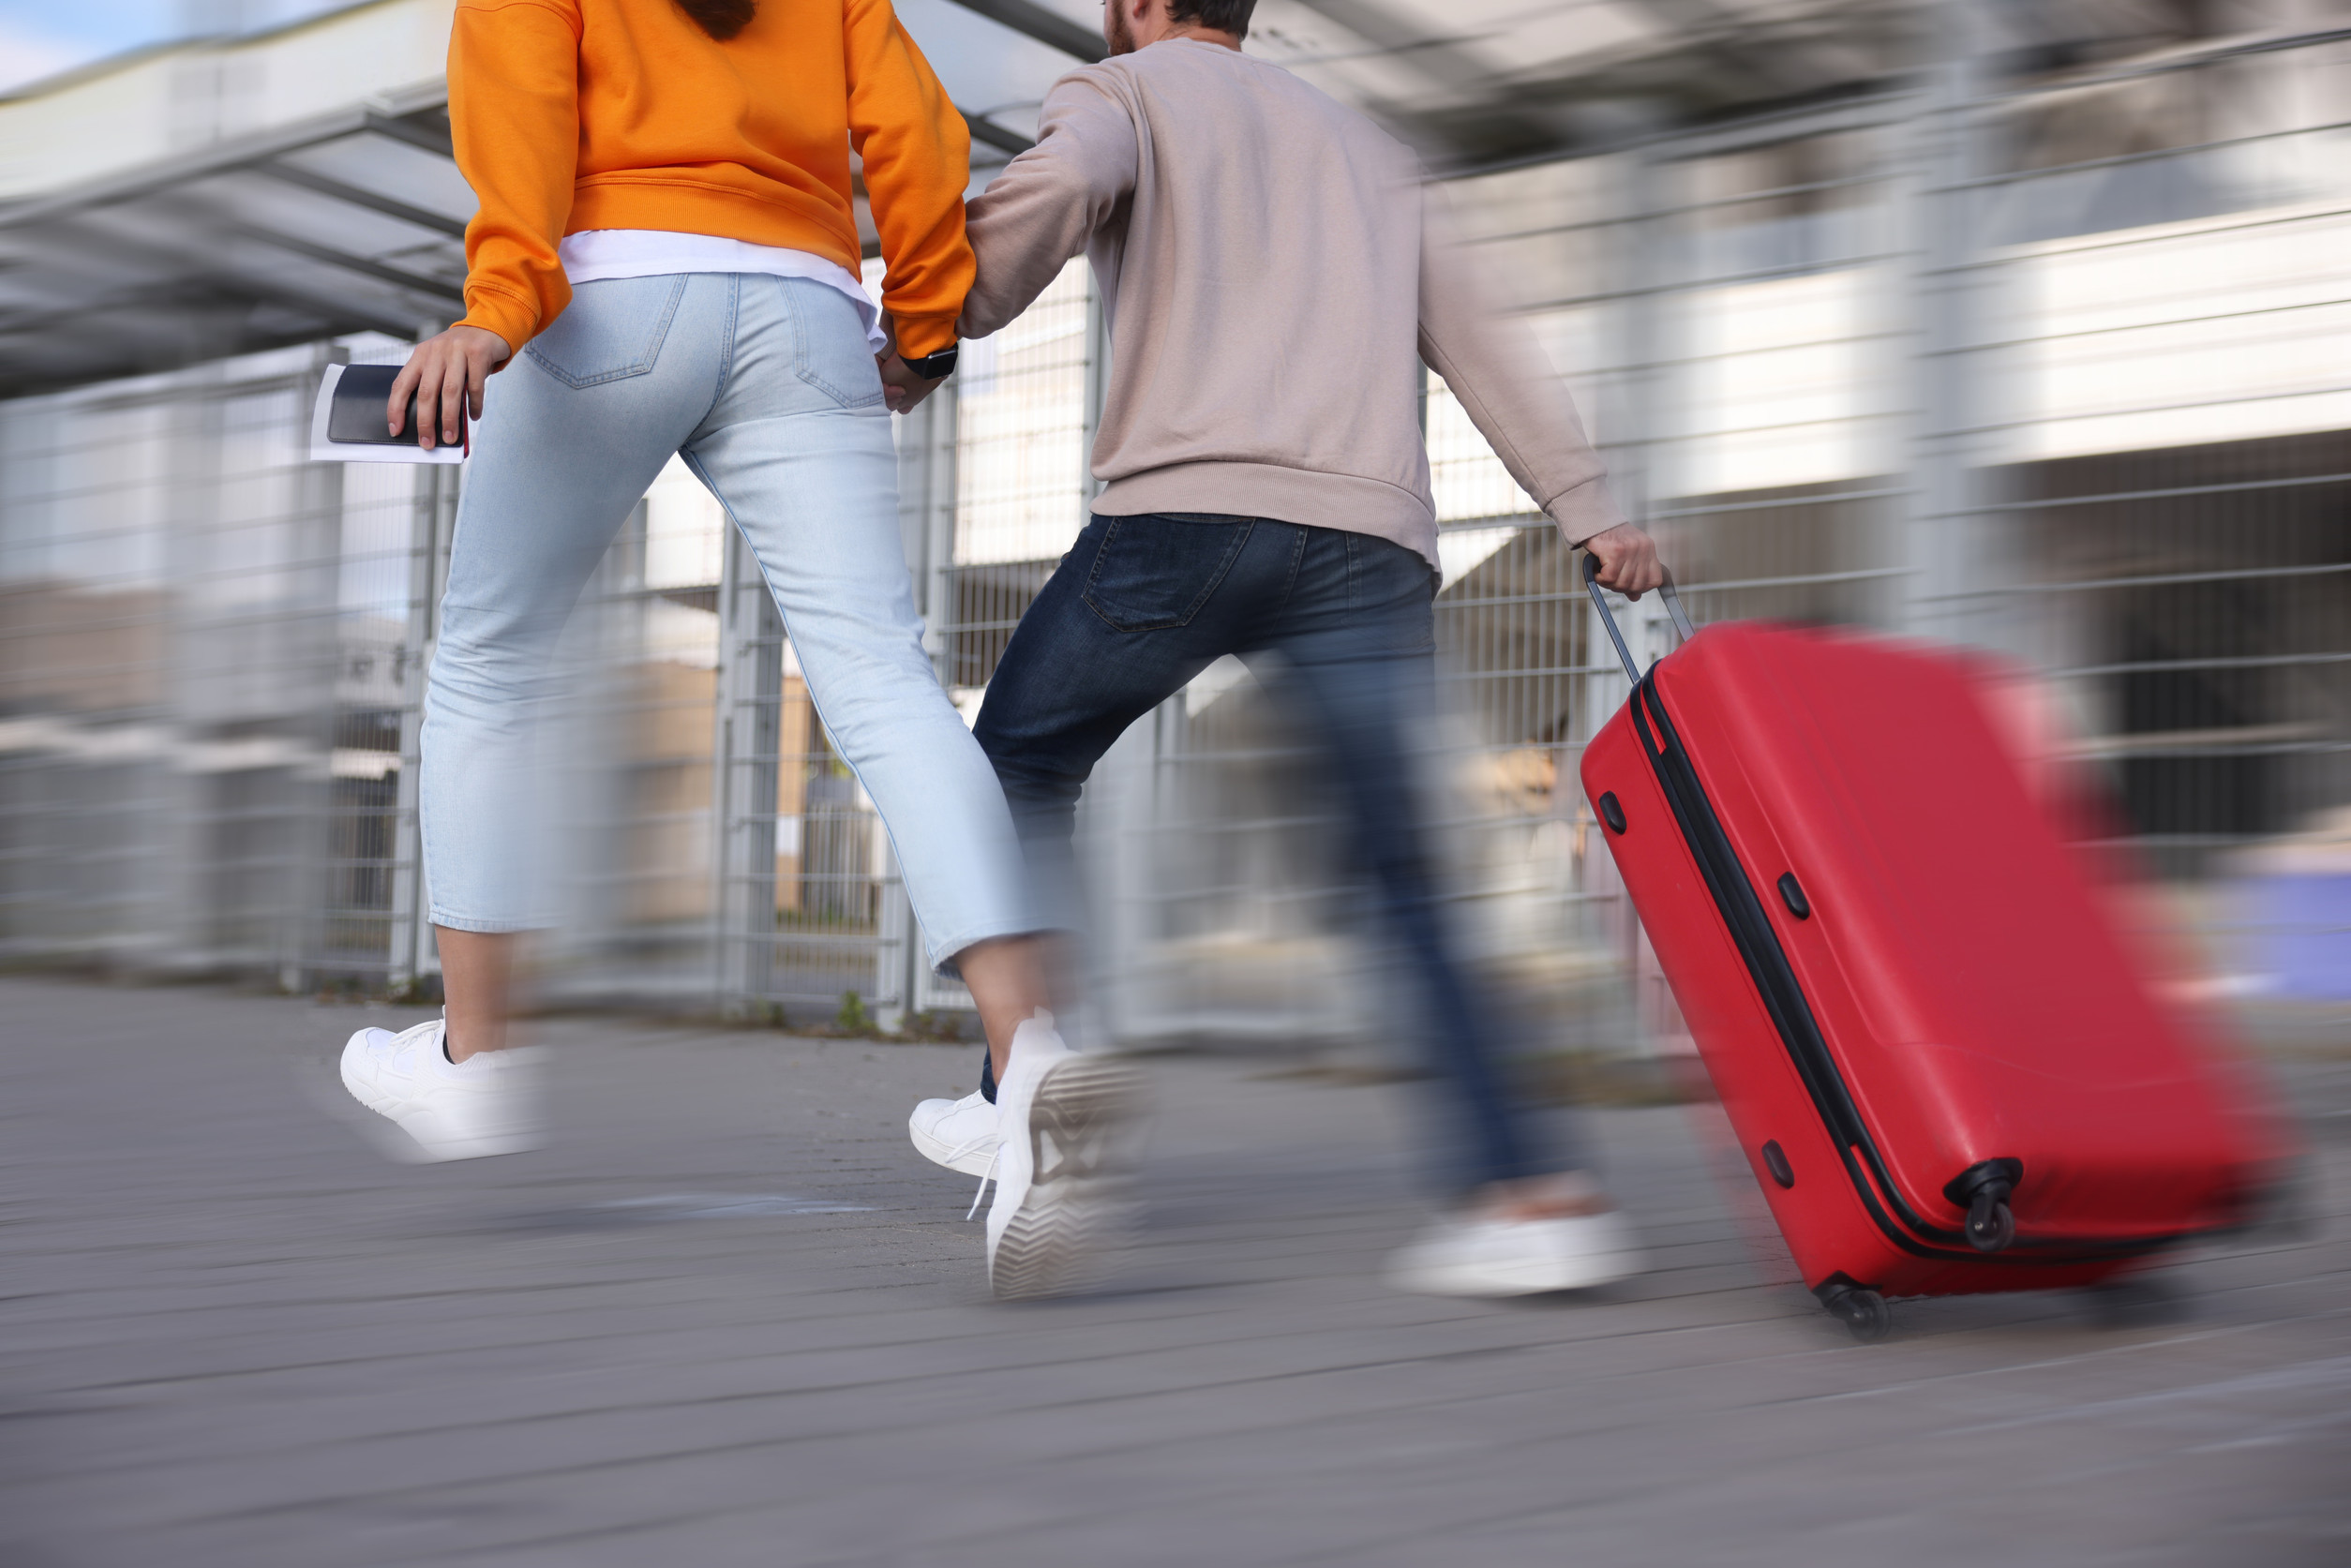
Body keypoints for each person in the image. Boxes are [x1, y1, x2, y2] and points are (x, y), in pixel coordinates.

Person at [898, 0, 1667, 1297]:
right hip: (1364, 544)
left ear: (1137, 8)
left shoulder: (1127, 93)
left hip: (1180, 520)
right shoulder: (1372, 148)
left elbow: (1061, 190)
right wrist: (1591, 509)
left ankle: (1026, 1071)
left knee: (1013, 766)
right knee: (1404, 873)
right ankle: (1529, 1193)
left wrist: (936, 315)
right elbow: (1487, 345)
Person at [336, 0, 1095, 1299]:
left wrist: (500, 303)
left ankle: (476, 1061)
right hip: (804, 312)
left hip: (604, 301)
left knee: (490, 666)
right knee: (883, 680)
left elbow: (520, 126)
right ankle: (1030, 1053)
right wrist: (918, 325)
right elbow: (917, 135)